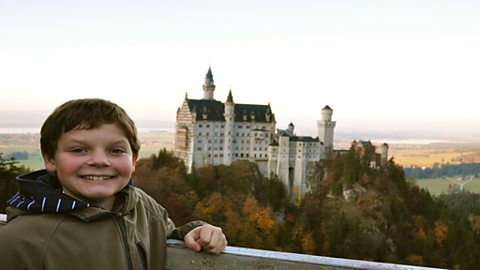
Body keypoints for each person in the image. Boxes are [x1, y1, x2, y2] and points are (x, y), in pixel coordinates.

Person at [0, 98, 227, 269]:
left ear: (134, 159)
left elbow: (166, 235)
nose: (99, 161)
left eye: (116, 150)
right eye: (79, 150)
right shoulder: (18, 241)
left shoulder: (143, 208)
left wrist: (195, 232)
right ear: (50, 158)